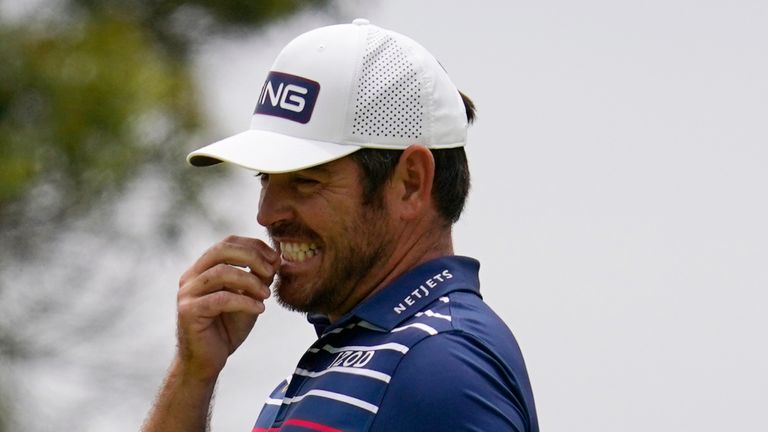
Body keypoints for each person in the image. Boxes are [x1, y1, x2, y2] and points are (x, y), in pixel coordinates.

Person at [143, 19, 539, 432]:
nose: (267, 213)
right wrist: (193, 377)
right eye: (265, 179)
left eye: (306, 180)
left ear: (410, 183)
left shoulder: (441, 367)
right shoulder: (352, 357)